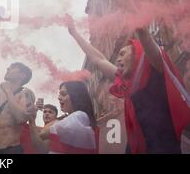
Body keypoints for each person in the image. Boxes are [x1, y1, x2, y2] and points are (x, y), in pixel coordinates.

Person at [67, 14, 190, 154]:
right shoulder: (128, 84)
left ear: (137, 55)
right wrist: (74, 33)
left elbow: (145, 36)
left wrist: (132, 7)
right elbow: (98, 59)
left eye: (122, 54)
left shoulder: (156, 71)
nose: (117, 60)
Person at [36, 81, 97, 154]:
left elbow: (43, 134)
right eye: (45, 112)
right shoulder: (78, 118)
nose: (58, 98)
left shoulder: (78, 116)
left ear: (76, 96)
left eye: (63, 94)